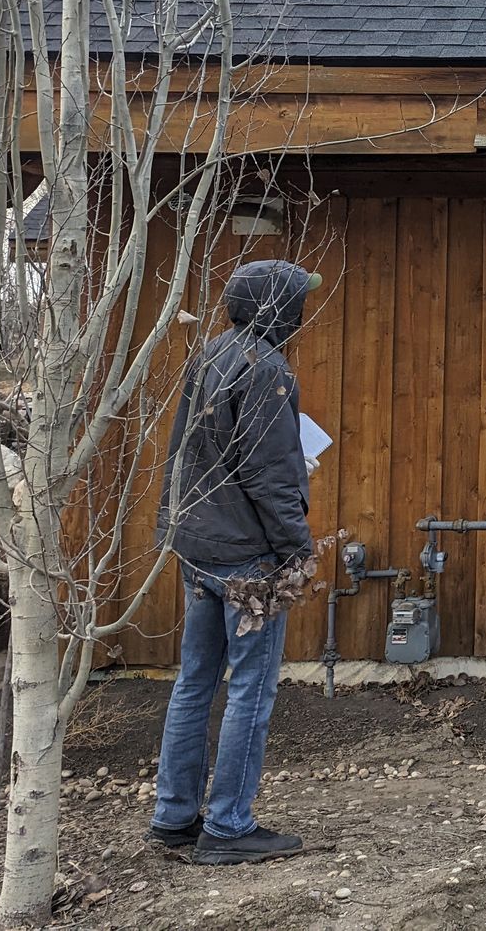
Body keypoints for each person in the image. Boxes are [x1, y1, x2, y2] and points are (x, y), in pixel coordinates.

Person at [146, 259, 319, 865]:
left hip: (200, 551)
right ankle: (227, 828)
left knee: (194, 682)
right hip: (250, 561)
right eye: (297, 305)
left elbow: (189, 452)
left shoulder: (212, 353)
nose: (303, 317)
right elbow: (270, 475)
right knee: (251, 689)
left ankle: (173, 818)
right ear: (278, 309)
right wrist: (298, 547)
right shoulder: (266, 369)